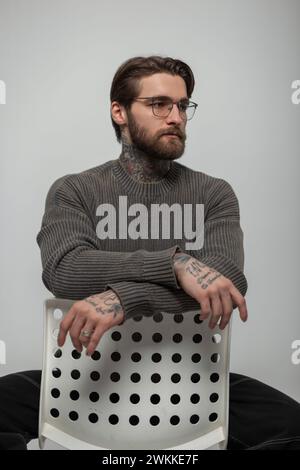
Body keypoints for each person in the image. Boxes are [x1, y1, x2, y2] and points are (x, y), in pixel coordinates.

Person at [0, 55, 300, 450]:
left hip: (193, 377)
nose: (175, 116)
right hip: (88, 374)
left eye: (182, 105)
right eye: (159, 104)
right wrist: (176, 264)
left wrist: (127, 297)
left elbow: (226, 279)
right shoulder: (75, 190)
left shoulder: (214, 193)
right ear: (119, 112)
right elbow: (66, 269)